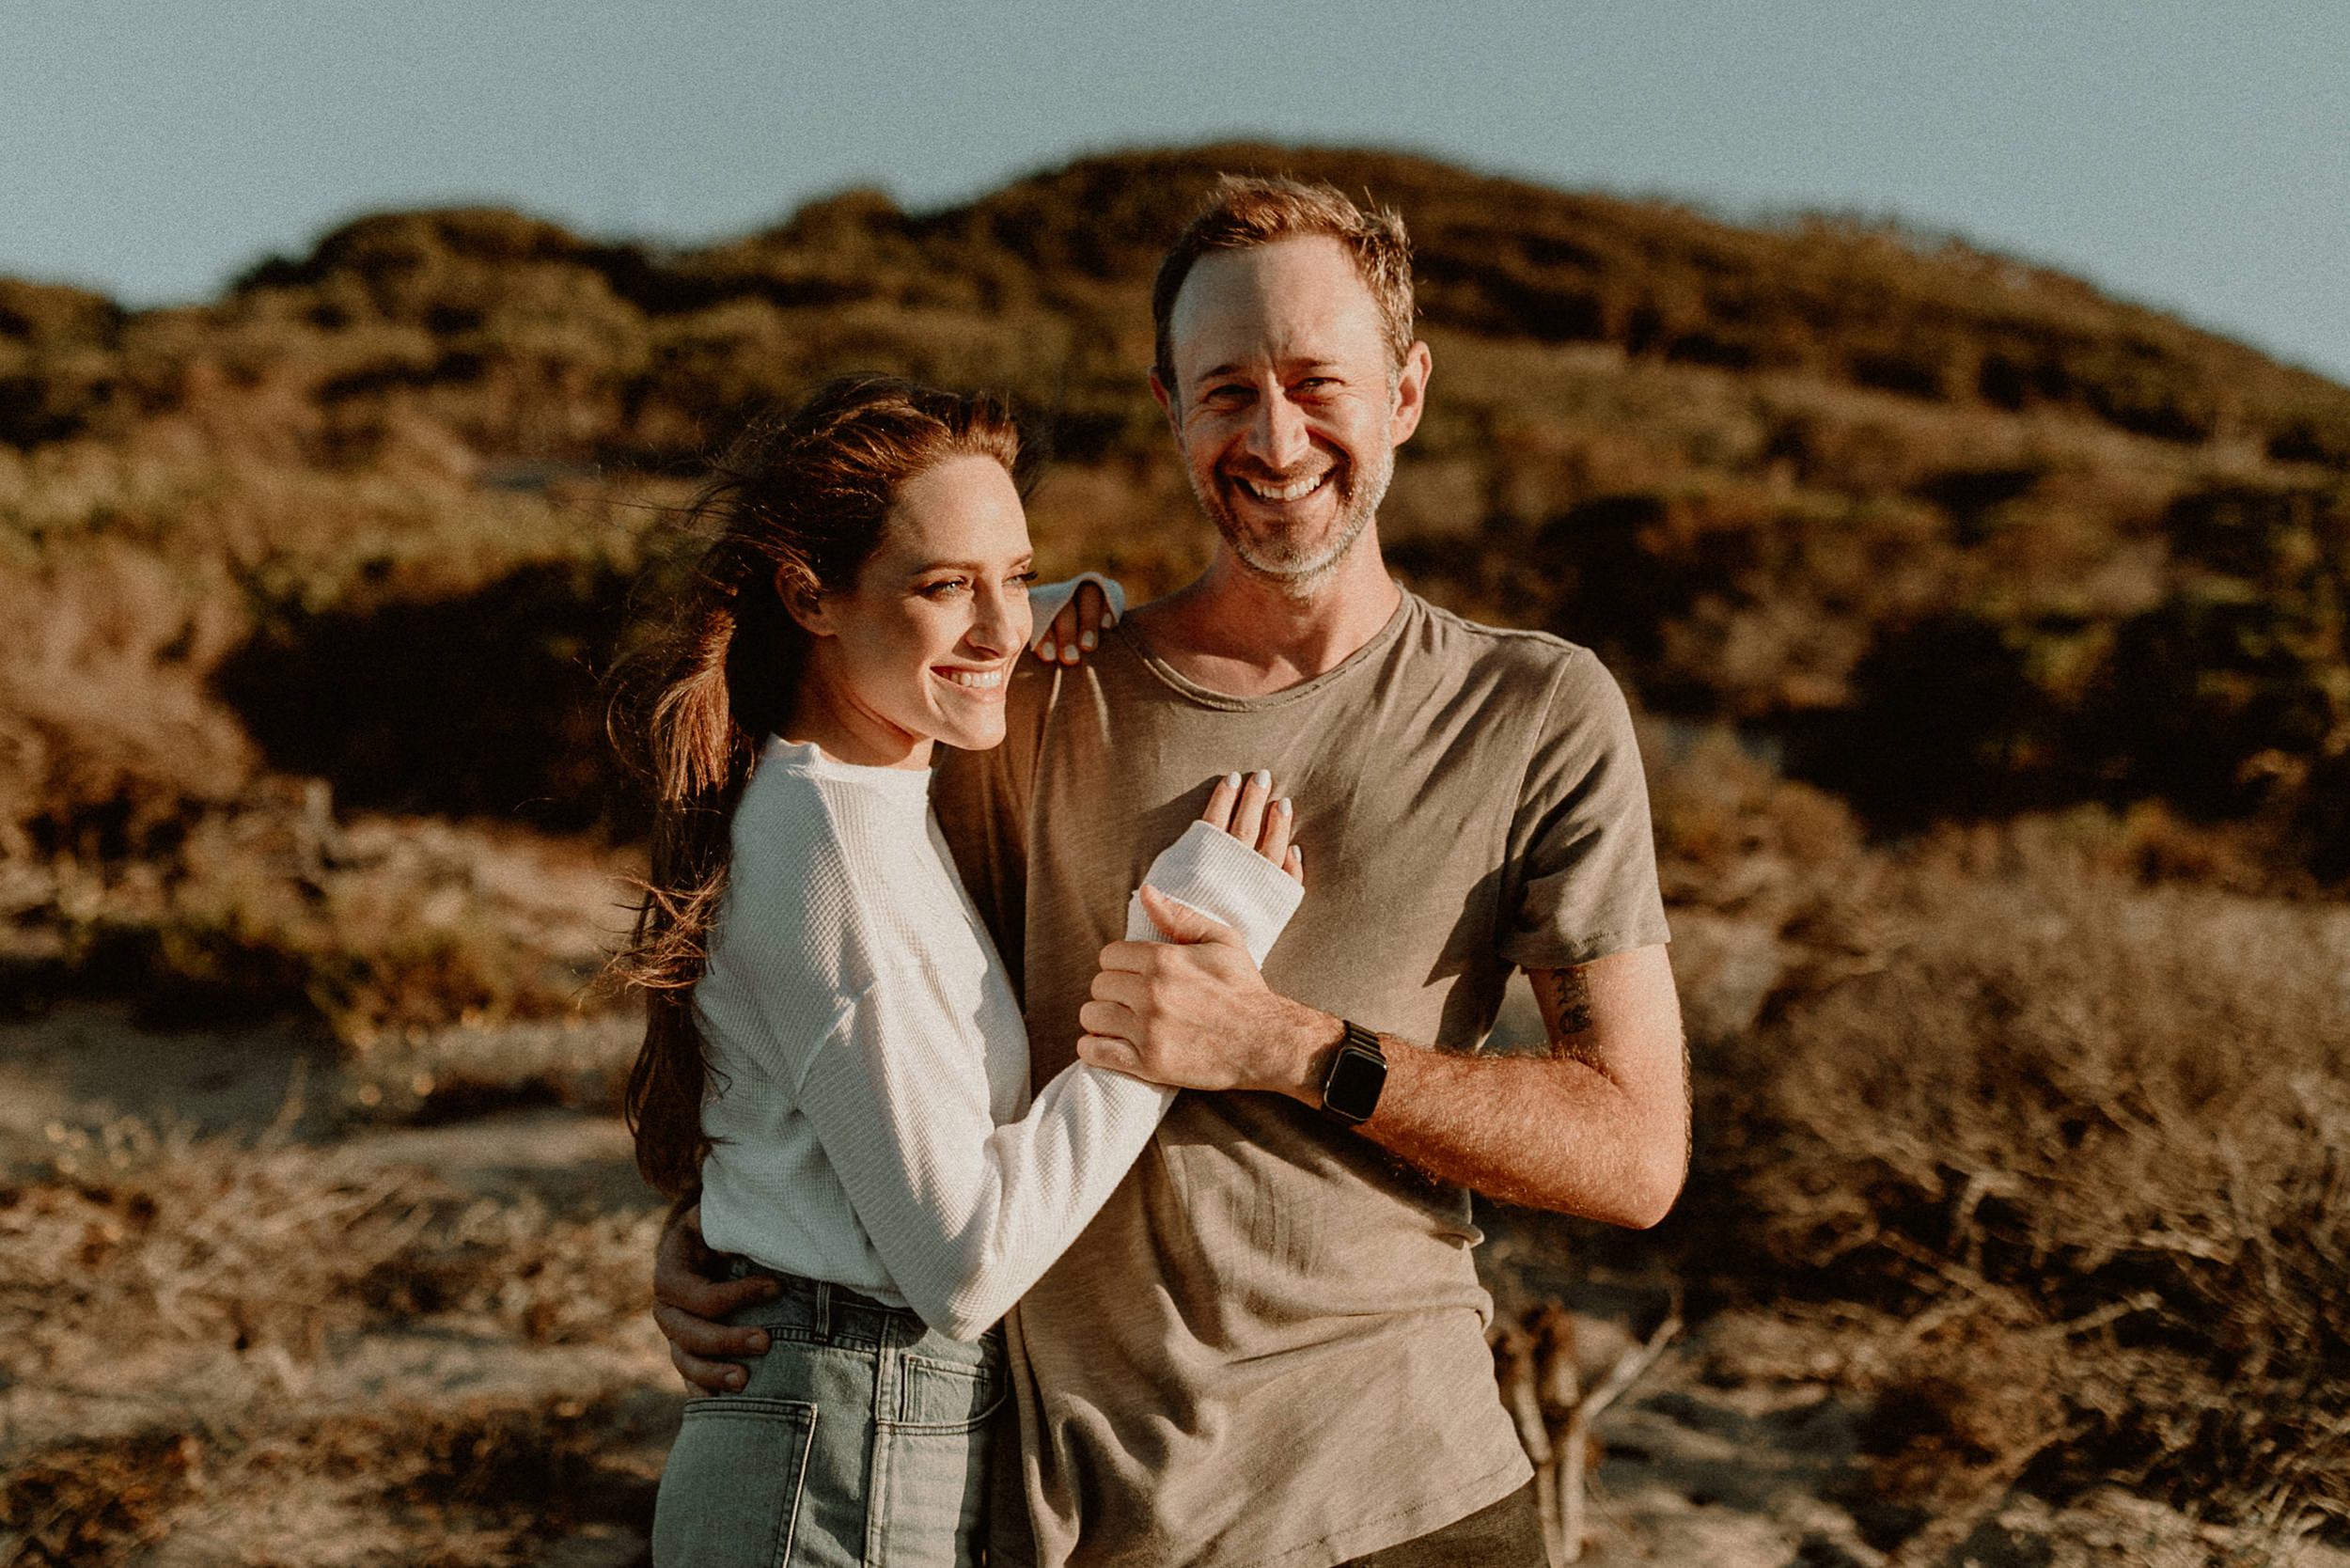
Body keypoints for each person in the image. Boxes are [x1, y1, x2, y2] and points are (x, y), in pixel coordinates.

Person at [656, 179, 1689, 1568]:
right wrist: (738, 1236)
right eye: (1226, 392)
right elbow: (821, 977)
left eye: (1320, 382)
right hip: (1075, 1520)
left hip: (1412, 1499)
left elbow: (1635, 1155)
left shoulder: (1535, 710)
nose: (1274, 439)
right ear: (1169, 405)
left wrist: (1290, 1045)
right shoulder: (1024, 695)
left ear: (1409, 391)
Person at [608, 375, 1308, 1568]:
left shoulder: (862, 795)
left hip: (855, 1427)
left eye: (1014, 573)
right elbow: (967, 1261)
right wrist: (1181, 982)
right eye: (947, 587)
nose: (1000, 628)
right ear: (809, 598)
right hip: (844, 1447)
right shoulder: (828, 854)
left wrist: (1067, 609)